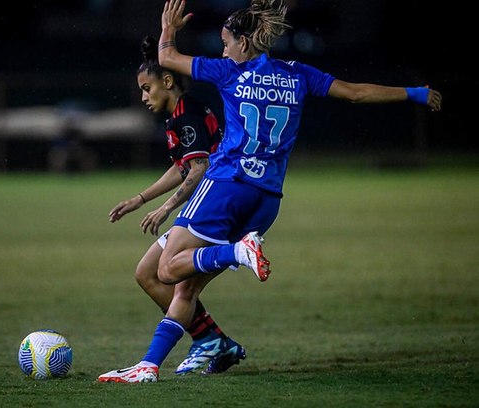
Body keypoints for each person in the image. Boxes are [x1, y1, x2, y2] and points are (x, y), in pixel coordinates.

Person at [98, 0, 442, 383]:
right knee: (179, 284)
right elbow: (356, 93)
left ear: (244, 44)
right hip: (266, 202)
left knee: (167, 269)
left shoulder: (230, 72)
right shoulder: (298, 74)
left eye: (227, 42)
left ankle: (238, 253)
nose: (223, 50)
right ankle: (159, 362)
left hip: (227, 185)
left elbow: (168, 56)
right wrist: (413, 93)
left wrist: (168, 27)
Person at [106, 35, 247, 377]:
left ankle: (204, 340)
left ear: (167, 81)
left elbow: (198, 170)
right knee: (147, 273)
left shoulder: (187, 114)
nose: (143, 97)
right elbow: (182, 166)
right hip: (207, 202)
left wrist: (165, 207)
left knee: (174, 280)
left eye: (147, 88)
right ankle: (211, 338)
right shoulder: (181, 115)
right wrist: (140, 199)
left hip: (214, 207)